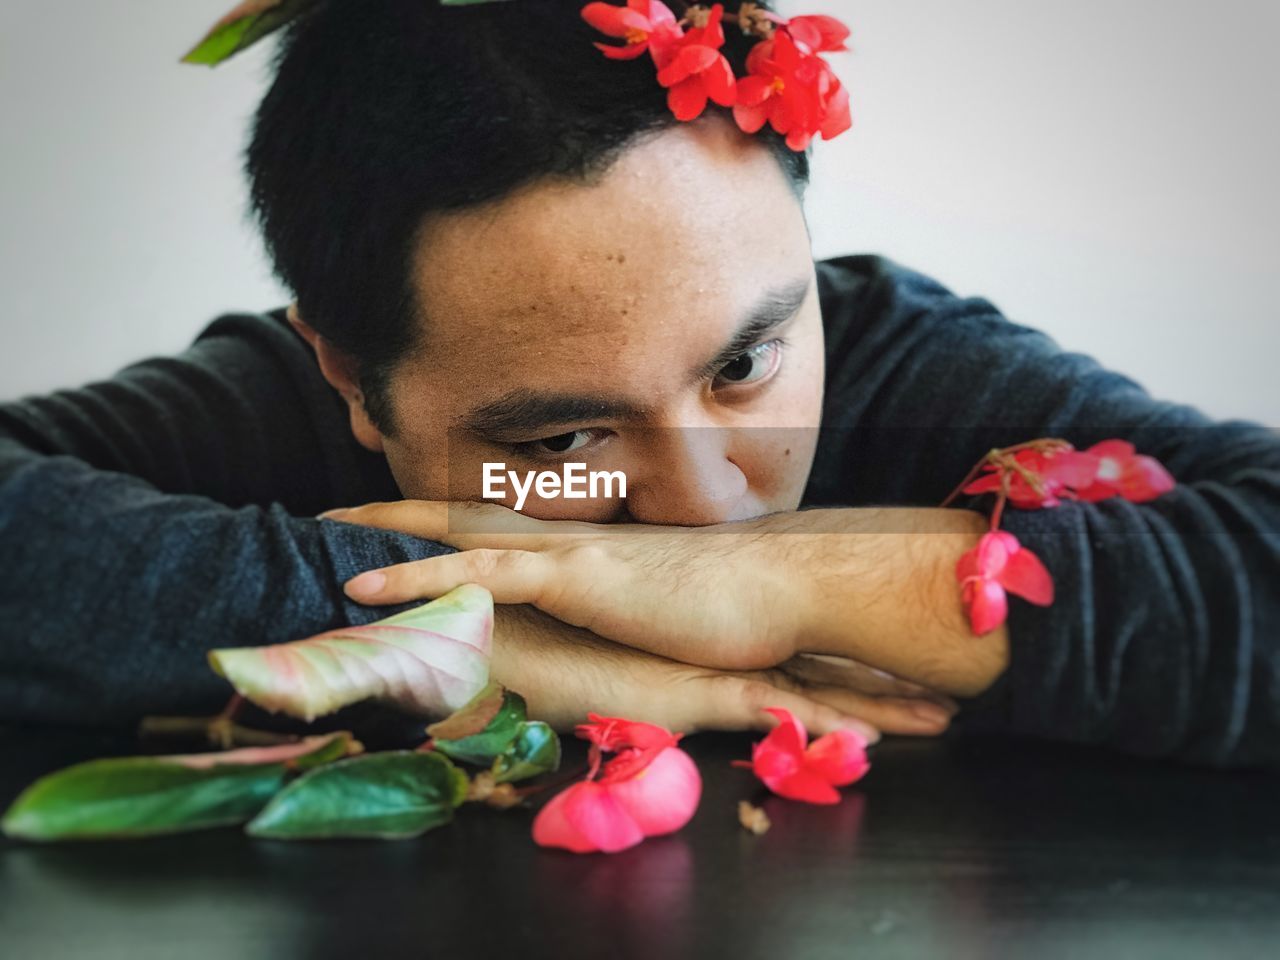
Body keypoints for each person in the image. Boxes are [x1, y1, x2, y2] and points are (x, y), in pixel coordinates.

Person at [2, 0, 1276, 766]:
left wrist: (799, 577)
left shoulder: (902, 361)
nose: (704, 511)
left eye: (744, 365)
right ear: (351, 376)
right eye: (560, 442)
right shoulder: (272, 409)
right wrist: (465, 632)